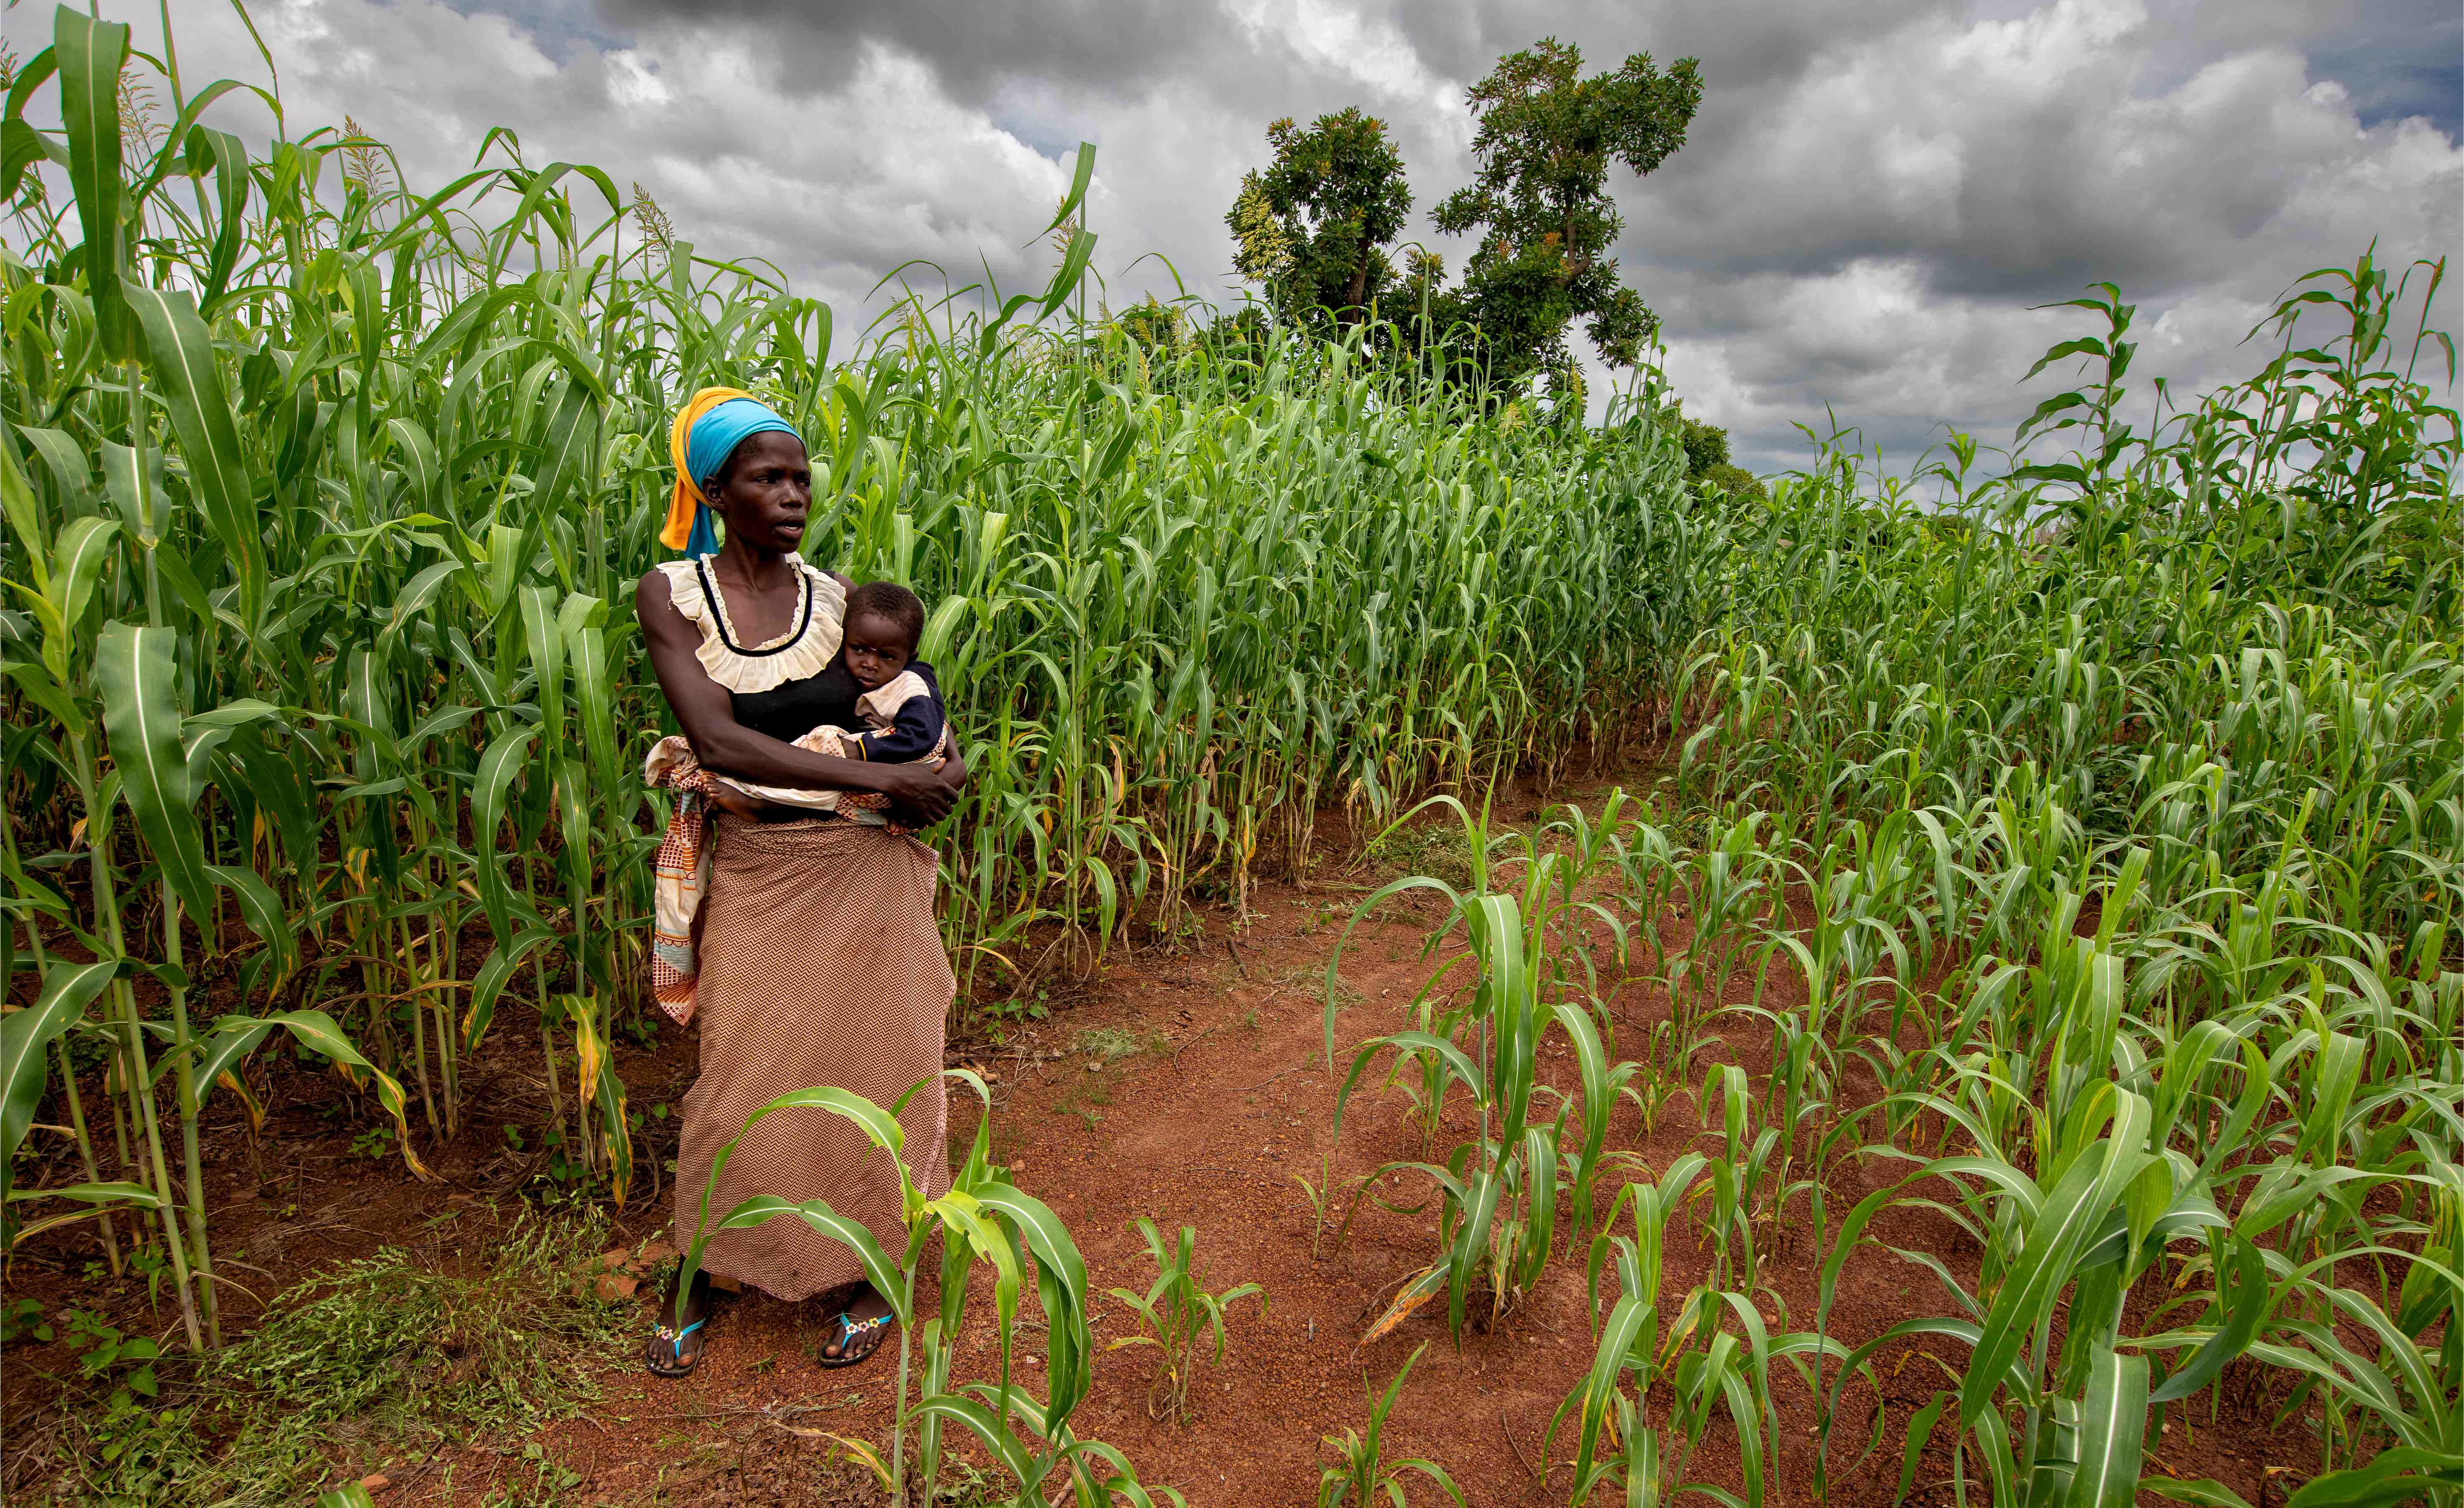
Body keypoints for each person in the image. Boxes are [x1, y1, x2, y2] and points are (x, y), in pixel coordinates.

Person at [634, 388, 963, 1378]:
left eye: (801, 478)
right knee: (738, 1081)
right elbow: (716, 737)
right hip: (766, 868)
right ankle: (703, 1269)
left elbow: (910, 698)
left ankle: (879, 1267)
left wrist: (941, 766)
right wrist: (884, 777)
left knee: (887, 1067)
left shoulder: (839, 598)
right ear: (715, 488)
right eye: (767, 477)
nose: (791, 494)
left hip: (866, 871)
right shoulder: (674, 594)